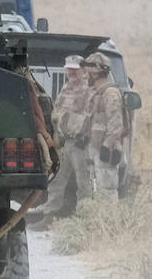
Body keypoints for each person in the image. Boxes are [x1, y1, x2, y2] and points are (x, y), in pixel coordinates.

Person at [32, 54, 102, 225]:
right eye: (68, 69)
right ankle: (49, 216)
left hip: (81, 143)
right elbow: (58, 112)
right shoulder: (66, 88)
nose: (71, 73)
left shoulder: (89, 90)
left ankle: (86, 219)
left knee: (83, 182)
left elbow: (91, 117)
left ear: (83, 71)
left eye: (75, 70)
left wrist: (83, 134)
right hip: (66, 142)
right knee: (56, 180)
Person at [90, 56, 128, 192]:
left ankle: (108, 213)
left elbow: (116, 124)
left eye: (88, 72)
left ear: (94, 73)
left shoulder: (110, 93)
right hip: (96, 148)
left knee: (107, 190)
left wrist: (107, 146)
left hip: (106, 149)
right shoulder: (97, 93)